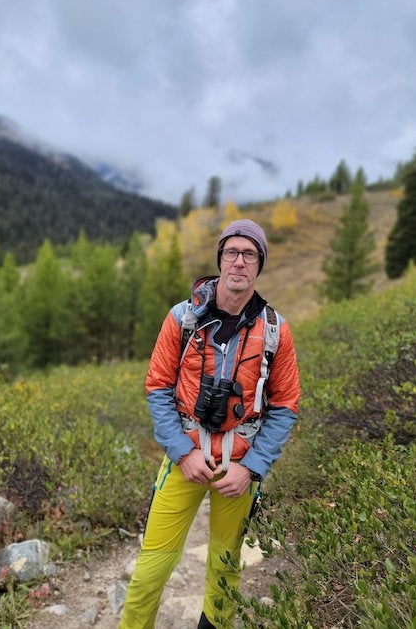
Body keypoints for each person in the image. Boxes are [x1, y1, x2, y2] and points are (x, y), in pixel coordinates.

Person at [119, 219, 300, 629]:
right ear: (220, 260)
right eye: (231, 252)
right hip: (185, 458)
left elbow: (285, 404)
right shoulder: (182, 318)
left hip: (238, 467)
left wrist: (252, 468)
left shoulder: (276, 331)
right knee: (152, 567)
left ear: (259, 264)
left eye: (249, 254)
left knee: (224, 566)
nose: (239, 261)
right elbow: (158, 387)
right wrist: (181, 453)